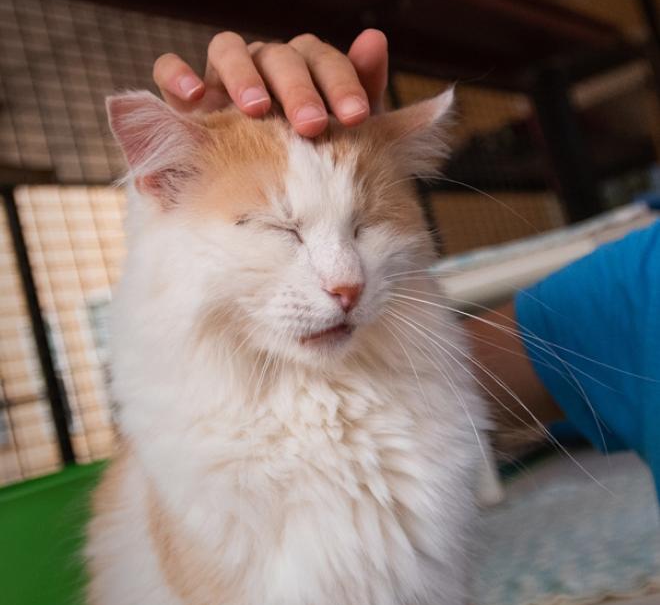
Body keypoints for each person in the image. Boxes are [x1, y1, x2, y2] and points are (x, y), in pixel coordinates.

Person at [152, 30, 660, 497]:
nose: (346, 281)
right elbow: (436, 378)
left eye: (363, 229)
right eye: (279, 230)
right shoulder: (636, 282)